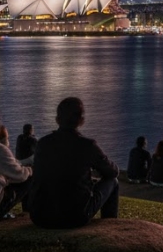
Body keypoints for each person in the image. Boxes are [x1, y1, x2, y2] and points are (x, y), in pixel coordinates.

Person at [29, 97, 119, 228]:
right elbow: (112, 172)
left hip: (39, 216)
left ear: (57, 119)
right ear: (81, 121)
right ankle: (109, 226)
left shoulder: (43, 143)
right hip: (74, 217)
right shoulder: (87, 145)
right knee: (113, 182)